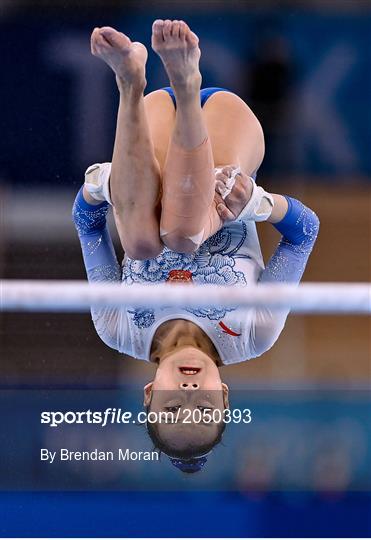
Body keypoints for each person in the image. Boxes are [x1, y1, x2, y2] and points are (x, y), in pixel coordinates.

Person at [72, 20, 319, 473]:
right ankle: (187, 85)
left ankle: (131, 82)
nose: (190, 398)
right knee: (184, 236)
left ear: (148, 395)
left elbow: (87, 226)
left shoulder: (118, 328)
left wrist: (99, 187)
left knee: (143, 242)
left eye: (172, 410)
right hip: (227, 135)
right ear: (225, 398)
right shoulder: (253, 334)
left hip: (149, 137)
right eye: (205, 411)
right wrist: (259, 204)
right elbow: (305, 231)